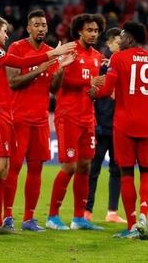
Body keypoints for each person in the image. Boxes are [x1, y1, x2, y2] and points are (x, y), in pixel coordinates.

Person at [0, 14, 75, 235]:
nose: (6, 35)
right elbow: (19, 64)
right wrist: (53, 54)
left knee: (2, 170)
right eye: (4, 30)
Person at [2, 10, 73, 232]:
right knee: (13, 168)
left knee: (36, 169)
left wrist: (61, 68)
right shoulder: (16, 49)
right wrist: (40, 68)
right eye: (37, 24)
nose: (41, 28)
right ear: (28, 28)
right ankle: (7, 217)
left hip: (41, 120)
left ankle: (29, 218)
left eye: (44, 25)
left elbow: (53, 88)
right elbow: (13, 82)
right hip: (18, 119)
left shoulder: (52, 52)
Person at [92, 21, 148, 240]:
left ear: (130, 38)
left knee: (127, 174)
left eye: (122, 36)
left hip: (124, 125)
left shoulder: (118, 58)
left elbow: (106, 90)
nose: (119, 40)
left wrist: (93, 89)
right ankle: (143, 215)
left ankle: (132, 224)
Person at [46, 13, 106, 231]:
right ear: (79, 30)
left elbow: (92, 89)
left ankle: (79, 218)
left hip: (88, 116)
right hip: (68, 115)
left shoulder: (98, 56)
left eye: (96, 31)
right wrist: (64, 68)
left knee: (85, 166)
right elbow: (56, 85)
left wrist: (95, 89)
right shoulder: (68, 51)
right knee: (69, 166)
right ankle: (52, 216)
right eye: (89, 30)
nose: (93, 34)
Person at [84, 27, 126, 224]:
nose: (121, 45)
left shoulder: (123, 64)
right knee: (94, 169)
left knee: (116, 169)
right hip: (101, 124)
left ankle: (112, 212)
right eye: (118, 42)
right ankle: (86, 210)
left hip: (118, 126)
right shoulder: (100, 63)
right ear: (109, 44)